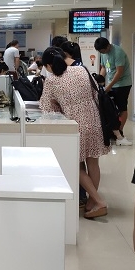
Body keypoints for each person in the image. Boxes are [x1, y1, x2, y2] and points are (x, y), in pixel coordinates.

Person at [40, 46, 109, 219]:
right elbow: (95, 93)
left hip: (74, 124)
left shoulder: (51, 80)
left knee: (75, 165)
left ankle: (99, 201)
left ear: (49, 65)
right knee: (93, 163)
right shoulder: (81, 70)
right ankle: (91, 204)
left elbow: (47, 108)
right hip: (93, 119)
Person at [94, 37, 132, 145]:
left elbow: (119, 72)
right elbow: (104, 68)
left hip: (122, 84)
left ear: (108, 46)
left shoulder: (118, 52)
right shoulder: (103, 53)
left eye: (103, 51)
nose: (102, 53)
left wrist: (109, 86)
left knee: (121, 108)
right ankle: (114, 132)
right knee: (110, 109)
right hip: (111, 83)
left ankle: (120, 132)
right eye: (100, 52)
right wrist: (100, 80)